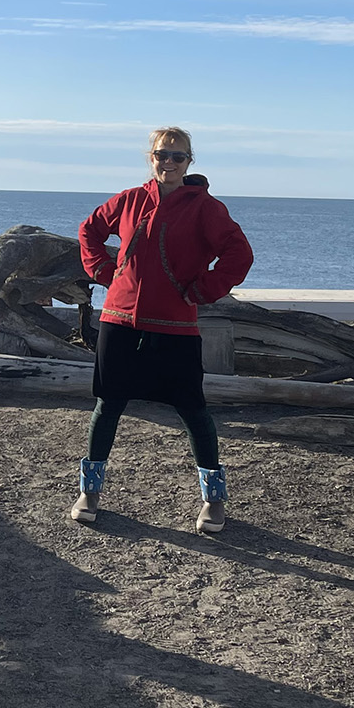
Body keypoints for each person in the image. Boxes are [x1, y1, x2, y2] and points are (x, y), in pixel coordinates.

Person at [74, 127, 254, 534]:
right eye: (162, 155)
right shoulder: (130, 199)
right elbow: (89, 231)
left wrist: (201, 290)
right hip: (119, 321)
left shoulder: (206, 208)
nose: (169, 163)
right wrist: (104, 271)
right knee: (108, 406)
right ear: (150, 157)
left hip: (175, 326)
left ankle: (213, 498)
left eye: (178, 156)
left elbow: (238, 255)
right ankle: (90, 492)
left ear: (190, 162)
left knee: (193, 411)